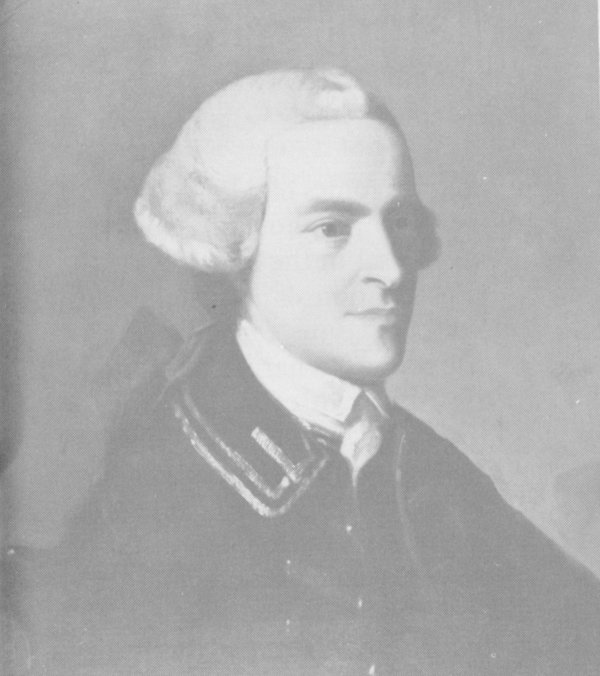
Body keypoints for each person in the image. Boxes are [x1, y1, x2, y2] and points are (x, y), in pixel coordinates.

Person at [9, 68, 600, 675]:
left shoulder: (433, 474)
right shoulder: (157, 498)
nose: (392, 269)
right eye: (331, 228)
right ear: (237, 250)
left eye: (399, 222)